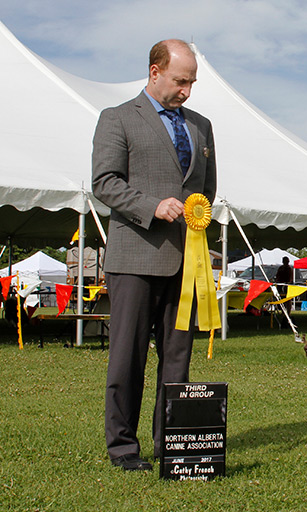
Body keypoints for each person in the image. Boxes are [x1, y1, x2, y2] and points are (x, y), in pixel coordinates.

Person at [92, 39, 216, 471]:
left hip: (186, 261)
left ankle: (173, 444)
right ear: (154, 71)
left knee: (177, 357)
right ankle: (123, 447)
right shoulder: (118, 118)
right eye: (181, 81)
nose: (187, 90)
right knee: (127, 356)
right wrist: (151, 206)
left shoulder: (201, 126)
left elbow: (206, 190)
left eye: (192, 82)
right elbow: (105, 182)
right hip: (134, 259)